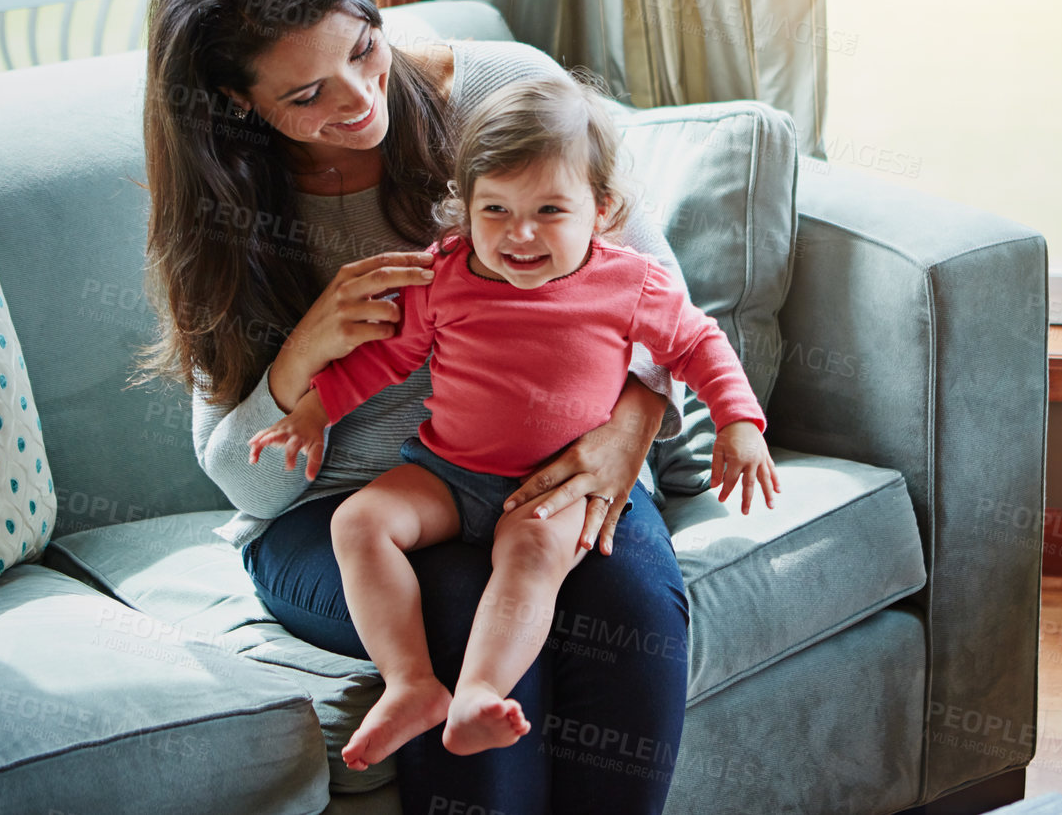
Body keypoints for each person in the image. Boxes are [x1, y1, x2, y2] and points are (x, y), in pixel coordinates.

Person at [134, 0, 700, 813]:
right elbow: (247, 487)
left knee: (629, 610)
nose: (357, 98)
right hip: (340, 516)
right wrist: (301, 358)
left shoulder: (505, 93)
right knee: (461, 604)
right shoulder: (226, 208)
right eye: (305, 97)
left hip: (544, 460)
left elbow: (658, 302)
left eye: (364, 49)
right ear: (241, 102)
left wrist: (626, 437)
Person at [248, 72, 778, 772]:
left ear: (603, 209)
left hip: (552, 488)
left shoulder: (631, 282)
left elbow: (696, 344)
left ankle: (477, 692)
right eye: (494, 209)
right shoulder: (446, 274)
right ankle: (412, 684)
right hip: (445, 471)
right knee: (358, 523)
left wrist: (739, 421)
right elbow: (387, 359)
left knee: (528, 559)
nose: (519, 234)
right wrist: (314, 410)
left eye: (551, 210)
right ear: (463, 210)